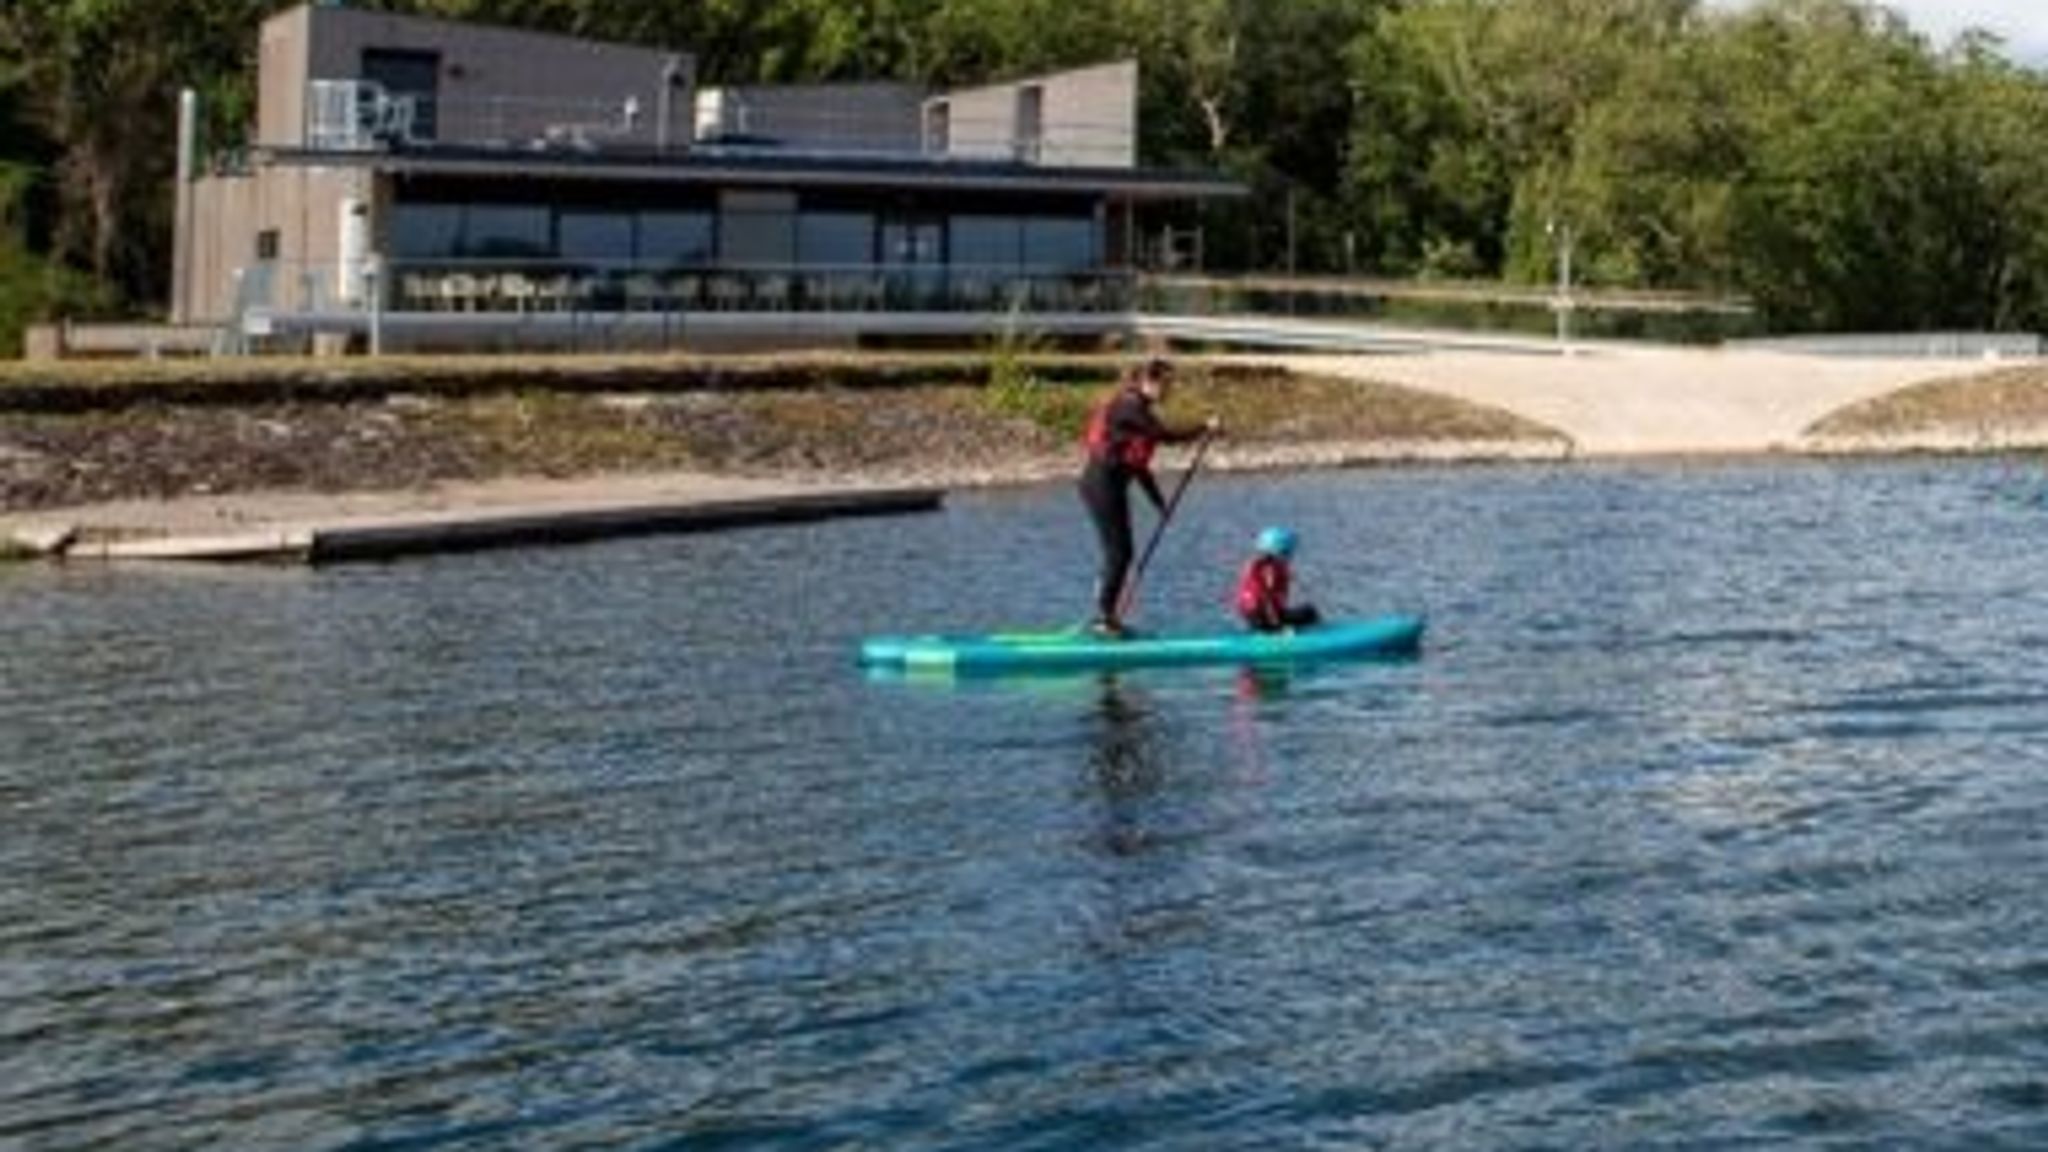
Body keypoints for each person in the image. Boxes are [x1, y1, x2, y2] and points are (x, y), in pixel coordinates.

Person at [1077, 357, 1217, 637]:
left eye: (1171, 385)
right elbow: (1164, 435)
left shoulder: (1140, 410)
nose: (1169, 391)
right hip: (1100, 485)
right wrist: (1205, 427)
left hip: (1109, 486)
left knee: (1120, 552)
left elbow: (1139, 467)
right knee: (1121, 552)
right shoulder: (1129, 407)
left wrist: (1159, 505)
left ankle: (1105, 613)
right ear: (1147, 382)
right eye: (1165, 384)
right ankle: (1104, 619)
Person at [1236, 526, 1322, 633]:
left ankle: (1265, 630)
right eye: (1287, 551)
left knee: (1295, 613)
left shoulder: (1256, 566)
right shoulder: (1271, 570)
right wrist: (1278, 627)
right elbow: (1267, 598)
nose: (1289, 555)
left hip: (1254, 618)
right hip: (1267, 618)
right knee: (1310, 612)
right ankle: (1317, 636)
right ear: (1279, 550)